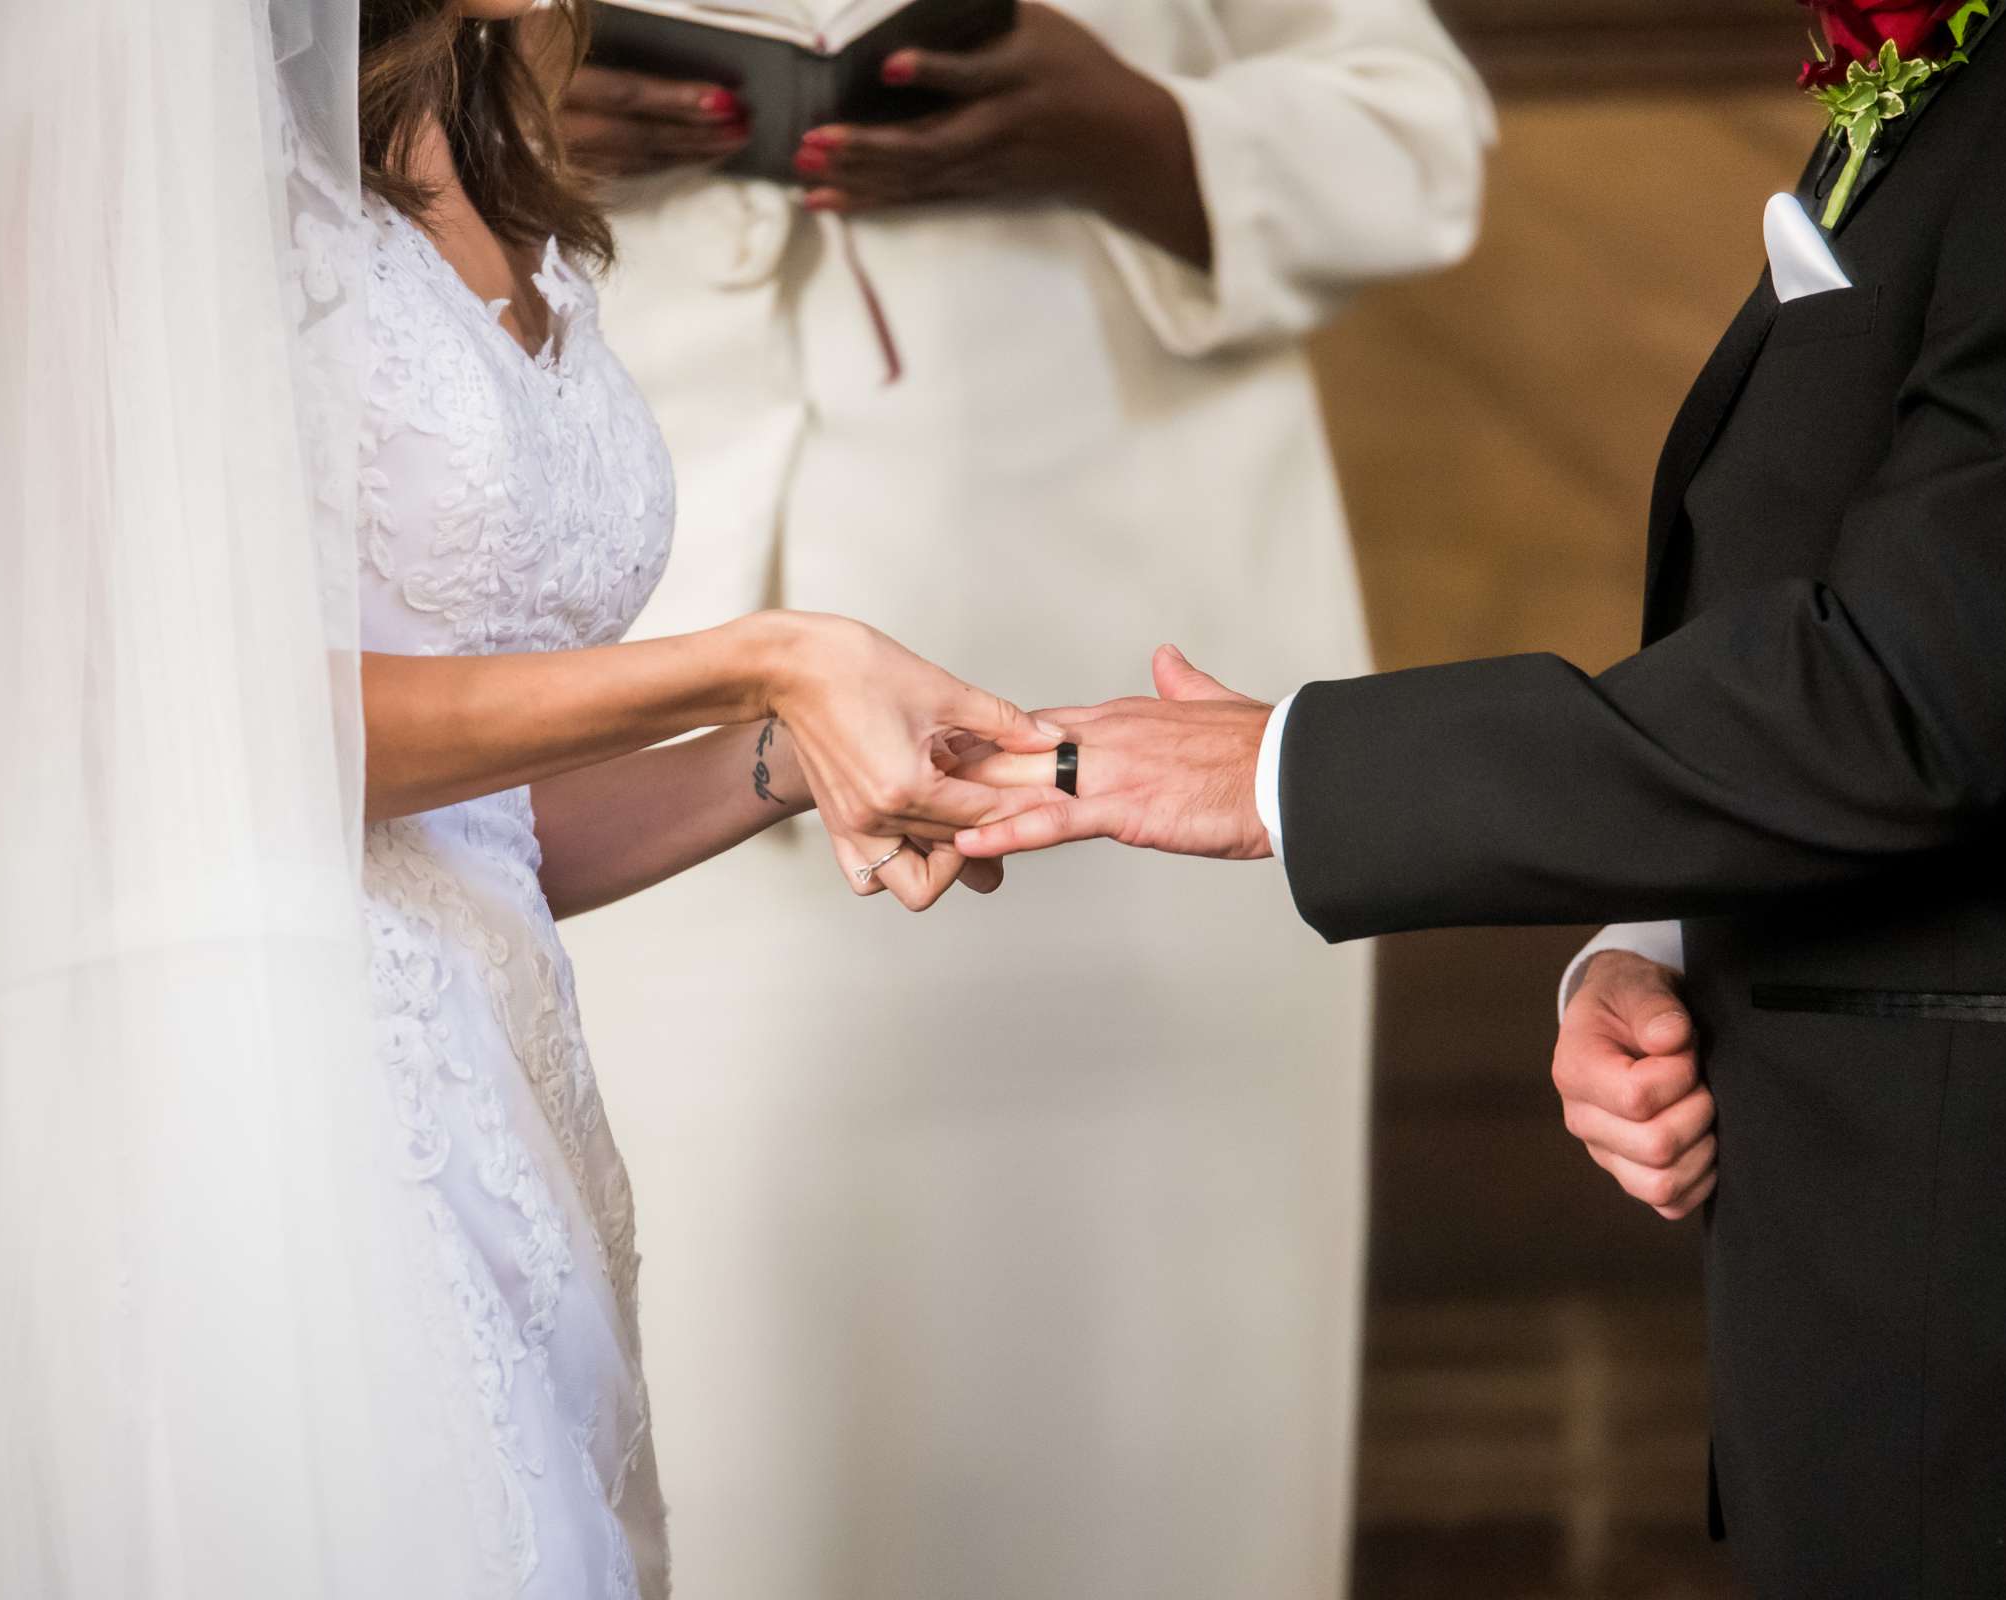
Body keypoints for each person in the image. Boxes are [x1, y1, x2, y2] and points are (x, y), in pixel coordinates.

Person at [0, 1, 1069, 1592]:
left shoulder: (487, 152)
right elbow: (207, 734)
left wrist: (797, 759)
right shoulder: (110, 169)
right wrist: (763, 660)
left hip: (496, 1099)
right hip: (238, 1129)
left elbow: (476, 833)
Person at [957, 0, 2006, 1591]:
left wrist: (1281, 771)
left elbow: (1904, 690)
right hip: (1894, 1279)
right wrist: (1655, 940)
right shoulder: (1997, 66)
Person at [550, 6, 1491, 1595]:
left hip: (1136, 666)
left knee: (1133, 1360)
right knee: (712, 1361)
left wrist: (1142, 133)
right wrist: (483, 115)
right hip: (638, 669)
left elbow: (1423, 141)